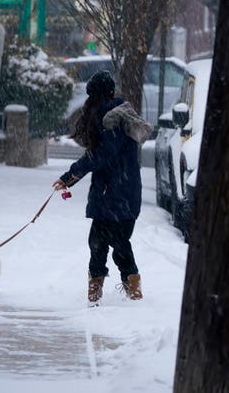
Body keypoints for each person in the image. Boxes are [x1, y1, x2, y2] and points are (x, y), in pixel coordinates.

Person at [53, 71, 144, 306]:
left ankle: (132, 295)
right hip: (117, 194)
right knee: (100, 243)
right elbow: (99, 156)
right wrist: (71, 177)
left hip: (116, 194)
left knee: (115, 244)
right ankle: (98, 295)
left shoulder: (112, 120)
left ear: (98, 96)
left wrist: (71, 175)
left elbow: (99, 156)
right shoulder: (114, 116)